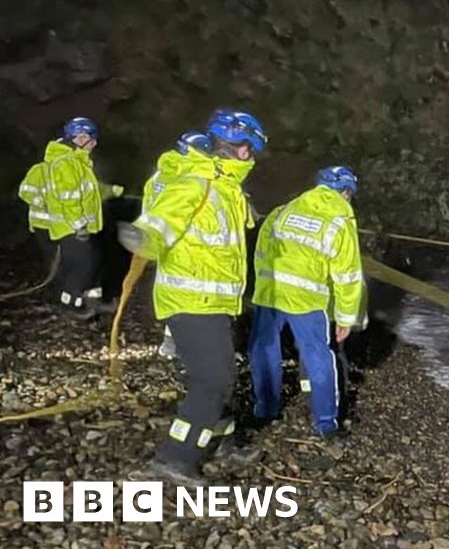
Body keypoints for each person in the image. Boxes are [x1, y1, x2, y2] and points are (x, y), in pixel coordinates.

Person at [119, 109, 266, 483]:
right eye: (247, 147)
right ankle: (176, 456)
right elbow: (160, 222)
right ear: (231, 146)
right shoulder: (196, 183)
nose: (250, 155)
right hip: (191, 301)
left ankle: (225, 442)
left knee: (222, 374)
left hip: (215, 302)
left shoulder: (227, 189)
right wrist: (144, 238)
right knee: (213, 379)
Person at [248, 165, 365, 439]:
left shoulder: (285, 209)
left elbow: (262, 249)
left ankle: (265, 408)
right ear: (346, 193)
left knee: (264, 349)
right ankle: (325, 423)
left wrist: (263, 287)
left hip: (271, 293)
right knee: (319, 357)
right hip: (307, 300)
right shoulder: (339, 222)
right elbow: (347, 276)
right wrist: (346, 318)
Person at [17, 117, 123, 319]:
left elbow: (89, 191)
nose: (95, 144)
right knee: (82, 264)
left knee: (92, 260)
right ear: (81, 137)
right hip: (66, 226)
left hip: (69, 225)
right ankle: (71, 303)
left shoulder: (78, 163)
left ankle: (92, 300)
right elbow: (67, 199)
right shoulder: (65, 164)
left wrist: (115, 191)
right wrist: (79, 225)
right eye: (92, 139)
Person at [141, 131, 216, 360]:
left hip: (163, 243)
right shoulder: (189, 178)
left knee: (173, 295)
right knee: (190, 298)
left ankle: (171, 344)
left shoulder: (160, 175)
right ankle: (177, 345)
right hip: (186, 246)